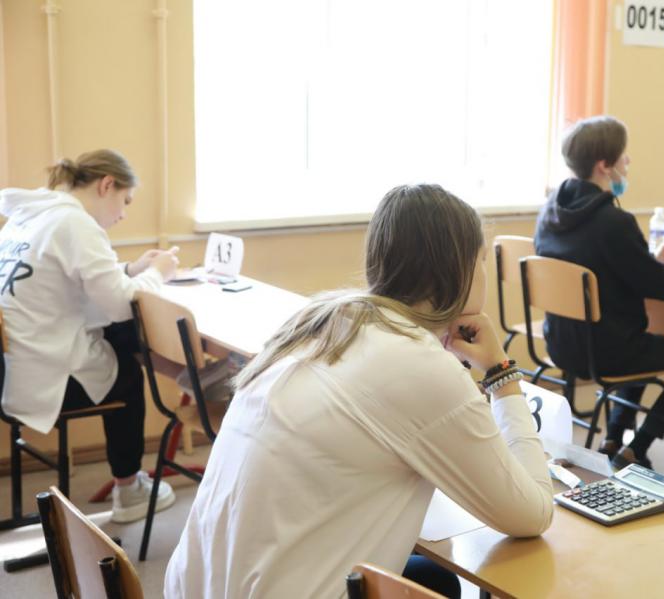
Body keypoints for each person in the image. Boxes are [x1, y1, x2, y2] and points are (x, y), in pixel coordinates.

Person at [164, 184, 553, 599]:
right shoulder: (418, 364)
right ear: (459, 270)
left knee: (431, 577)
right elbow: (532, 513)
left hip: (194, 587)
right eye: (481, 260)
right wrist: (501, 375)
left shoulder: (317, 321)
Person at [0, 149, 181, 522]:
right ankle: (129, 489)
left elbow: (74, 280)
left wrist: (131, 269)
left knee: (119, 335)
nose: (123, 214)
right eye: (125, 201)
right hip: (41, 376)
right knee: (127, 367)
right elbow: (120, 304)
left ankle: (191, 380)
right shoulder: (76, 224)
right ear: (107, 185)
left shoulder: (31, 217)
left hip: (10, 369)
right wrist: (158, 272)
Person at [535, 115, 664, 470]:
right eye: (623, 156)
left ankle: (613, 439)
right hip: (607, 352)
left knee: (638, 339)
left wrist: (647, 261)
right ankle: (636, 447)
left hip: (561, 344)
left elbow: (604, 266)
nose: (627, 162)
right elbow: (661, 287)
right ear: (604, 165)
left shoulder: (550, 214)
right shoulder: (613, 222)